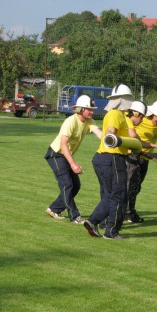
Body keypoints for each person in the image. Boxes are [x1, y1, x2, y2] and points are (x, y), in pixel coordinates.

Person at [83, 83, 134, 240]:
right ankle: (111, 231)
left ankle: (93, 221)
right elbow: (111, 130)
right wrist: (111, 135)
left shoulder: (118, 114)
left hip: (102, 158)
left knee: (110, 195)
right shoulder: (116, 114)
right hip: (112, 158)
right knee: (119, 195)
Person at [44, 95, 102, 224]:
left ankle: (54, 209)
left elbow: (99, 134)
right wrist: (73, 164)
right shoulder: (71, 121)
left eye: (92, 109)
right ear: (81, 109)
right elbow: (63, 144)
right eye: (89, 109)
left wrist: (112, 140)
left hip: (65, 155)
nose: (92, 112)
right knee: (67, 185)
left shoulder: (89, 121)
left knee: (76, 185)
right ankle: (75, 216)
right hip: (56, 154)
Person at [125, 100, 157, 223]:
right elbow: (130, 131)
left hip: (146, 157)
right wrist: (154, 145)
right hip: (133, 154)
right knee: (131, 186)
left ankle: (127, 211)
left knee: (137, 187)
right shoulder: (141, 118)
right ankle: (128, 213)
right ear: (152, 113)